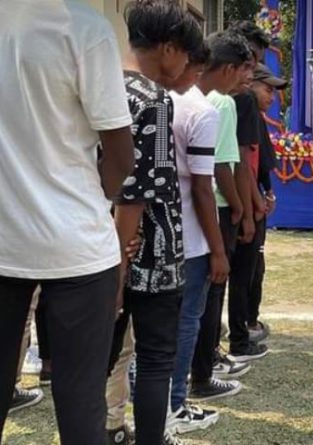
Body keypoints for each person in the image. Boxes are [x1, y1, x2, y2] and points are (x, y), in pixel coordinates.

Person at [0, 1, 134, 443]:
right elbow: (120, 154)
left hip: (6, 242)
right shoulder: (84, 28)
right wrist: (92, 196)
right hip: (78, 246)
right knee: (81, 409)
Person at [109, 2, 203, 443]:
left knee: (100, 359)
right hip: (150, 254)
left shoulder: (104, 86)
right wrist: (120, 264)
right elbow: (137, 191)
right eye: (185, 54)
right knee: (154, 359)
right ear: (168, 48)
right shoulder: (153, 99)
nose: (186, 65)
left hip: (96, 244)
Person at [175, 31, 255, 435]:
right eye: (244, 72)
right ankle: (178, 402)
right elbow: (207, 182)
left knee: (168, 323)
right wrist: (220, 246)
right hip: (196, 232)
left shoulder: (173, 100)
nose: (246, 83)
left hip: (168, 231)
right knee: (190, 316)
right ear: (226, 69)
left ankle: (169, 401)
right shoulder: (213, 106)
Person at [228, 22, 288, 362]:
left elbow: (254, 163)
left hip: (247, 204)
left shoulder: (245, 108)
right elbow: (236, 161)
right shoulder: (239, 104)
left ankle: (241, 330)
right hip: (239, 207)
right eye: (248, 63)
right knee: (237, 277)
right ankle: (238, 337)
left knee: (250, 272)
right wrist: (250, 208)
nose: (271, 95)